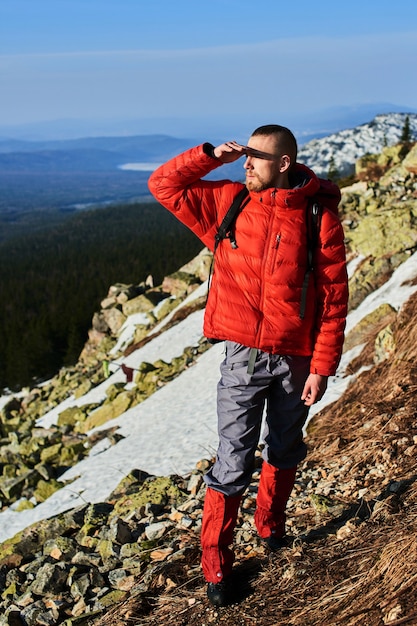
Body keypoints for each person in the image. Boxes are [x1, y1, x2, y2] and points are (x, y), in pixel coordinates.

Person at [148, 124, 348, 607]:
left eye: (256, 158)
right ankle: (217, 568)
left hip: (297, 359)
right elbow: (163, 185)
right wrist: (209, 155)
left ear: (284, 163)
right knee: (232, 460)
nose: (246, 164)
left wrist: (322, 366)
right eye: (244, 157)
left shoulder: (318, 213)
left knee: (284, 447)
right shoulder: (230, 201)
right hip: (241, 358)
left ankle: (271, 530)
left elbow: (333, 297)